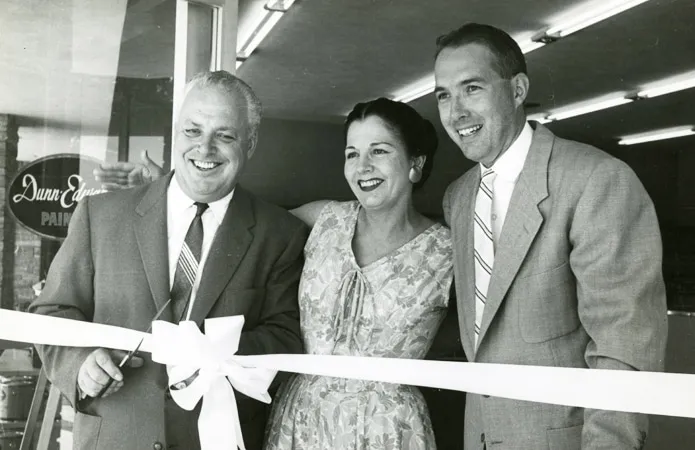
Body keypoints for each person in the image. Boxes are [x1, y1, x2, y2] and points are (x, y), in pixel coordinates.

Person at [96, 97, 454, 449]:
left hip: (388, 429)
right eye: (352, 154)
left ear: (415, 164)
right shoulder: (324, 219)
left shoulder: (449, 251)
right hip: (300, 420)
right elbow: (232, 226)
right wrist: (172, 193)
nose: (362, 167)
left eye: (379, 151)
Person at [29, 71, 307, 450]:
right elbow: (52, 313)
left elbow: (286, 337)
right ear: (176, 132)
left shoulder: (280, 234)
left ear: (251, 142)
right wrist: (80, 364)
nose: (204, 149)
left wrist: (212, 350)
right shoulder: (100, 215)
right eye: (193, 131)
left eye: (225, 136)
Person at [434, 23, 668, 450]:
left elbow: (622, 346)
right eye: (444, 95)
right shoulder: (459, 197)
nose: (456, 112)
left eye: (472, 88)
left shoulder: (597, 180)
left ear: (518, 89)